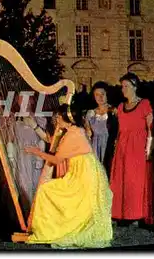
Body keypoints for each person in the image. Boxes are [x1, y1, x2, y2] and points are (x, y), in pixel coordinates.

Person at [15, 104, 112, 248]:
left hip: (82, 175)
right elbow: (53, 143)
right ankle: (52, 227)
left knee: (46, 190)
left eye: (59, 116)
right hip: (82, 170)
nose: (56, 119)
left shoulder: (73, 134)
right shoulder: (72, 131)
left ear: (67, 118)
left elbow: (56, 159)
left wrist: (36, 152)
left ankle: (52, 230)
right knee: (51, 190)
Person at [110, 73, 154, 226]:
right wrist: (117, 142)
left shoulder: (144, 104)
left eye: (126, 86)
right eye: (122, 86)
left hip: (137, 147)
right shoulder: (121, 107)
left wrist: (148, 149)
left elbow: (151, 129)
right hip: (123, 147)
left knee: (134, 181)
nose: (123, 89)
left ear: (135, 87)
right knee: (120, 180)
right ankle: (119, 214)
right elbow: (119, 129)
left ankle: (135, 215)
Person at [84, 82, 118, 177]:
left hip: (110, 145)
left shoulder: (114, 111)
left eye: (102, 94)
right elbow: (88, 133)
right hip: (95, 146)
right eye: (97, 95)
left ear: (107, 95)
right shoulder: (91, 113)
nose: (100, 97)